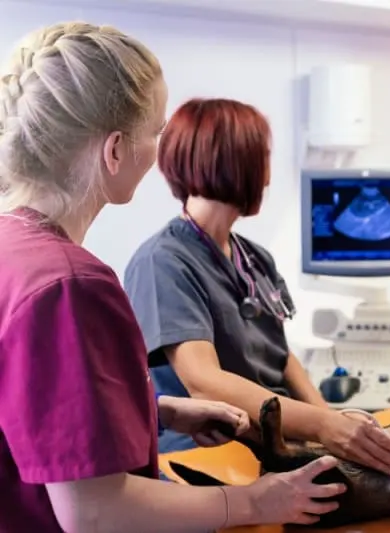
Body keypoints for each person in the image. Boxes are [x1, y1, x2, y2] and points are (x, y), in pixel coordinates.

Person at [0, 22, 345, 533]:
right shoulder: (70, 283)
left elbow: (31, 412)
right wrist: (254, 503)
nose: (160, 153)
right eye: (156, 132)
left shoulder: (15, 250)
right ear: (115, 150)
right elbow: (94, 513)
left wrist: (156, 410)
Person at [122, 97, 390, 476]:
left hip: (281, 440)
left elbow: (281, 357)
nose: (269, 174)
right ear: (235, 161)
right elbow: (205, 383)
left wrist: (334, 421)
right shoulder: (164, 261)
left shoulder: (254, 257)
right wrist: (323, 427)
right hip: (212, 453)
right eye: (264, 155)